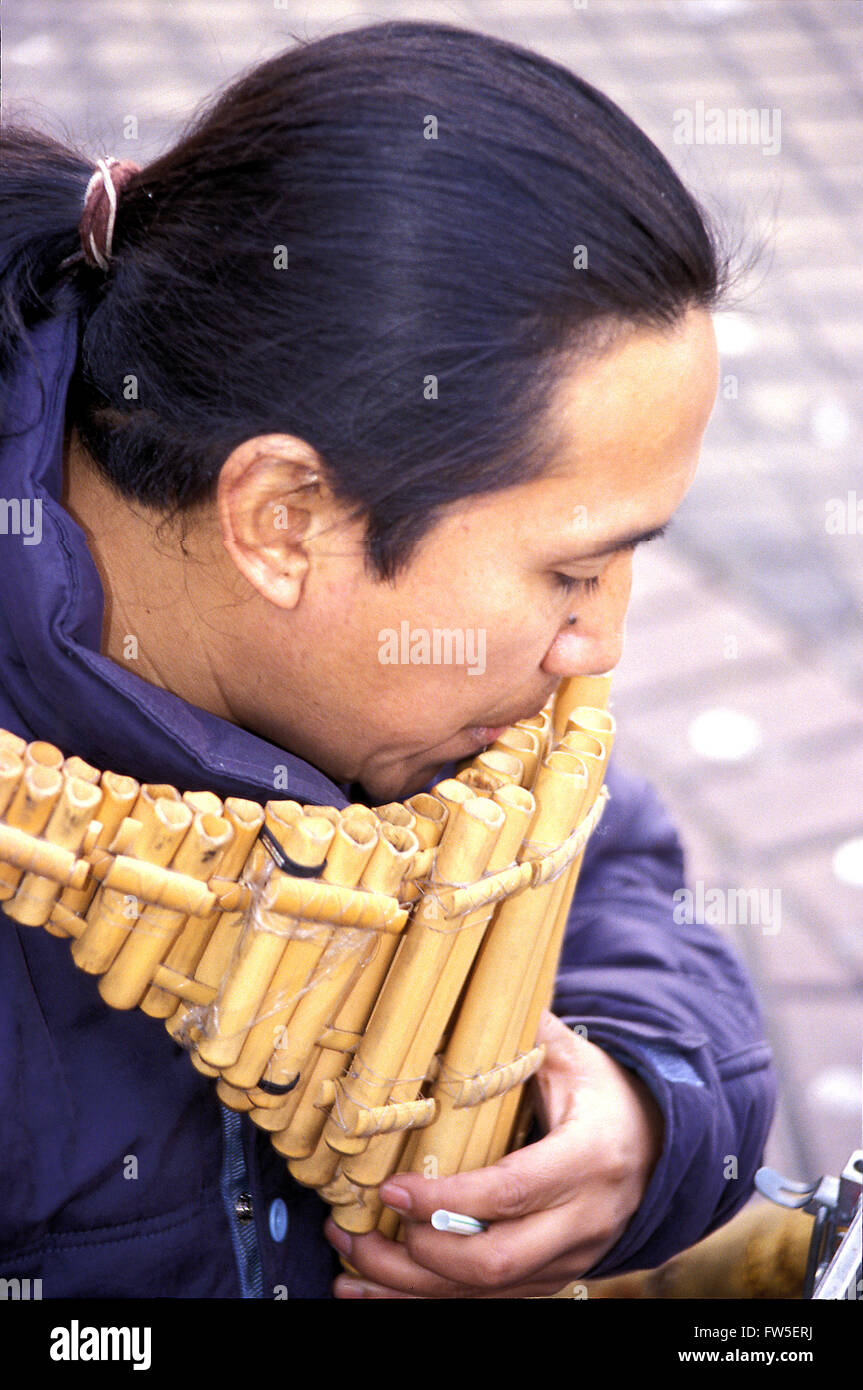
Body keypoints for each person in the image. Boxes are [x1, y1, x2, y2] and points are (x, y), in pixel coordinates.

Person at [0, 21, 775, 1299]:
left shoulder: (436, 717)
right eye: (572, 572)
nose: (601, 648)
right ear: (283, 521)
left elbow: (609, 866)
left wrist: (644, 1108)